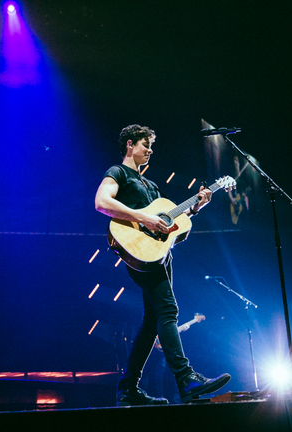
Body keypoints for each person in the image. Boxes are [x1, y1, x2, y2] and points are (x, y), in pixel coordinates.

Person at [94, 124, 231, 406]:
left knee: (151, 323)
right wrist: (143, 219)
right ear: (130, 144)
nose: (150, 151)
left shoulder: (152, 186)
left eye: (151, 147)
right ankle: (186, 378)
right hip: (139, 251)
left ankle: (128, 388)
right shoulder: (118, 173)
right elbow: (101, 202)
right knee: (169, 310)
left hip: (159, 254)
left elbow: (172, 222)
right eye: (146, 145)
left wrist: (197, 205)